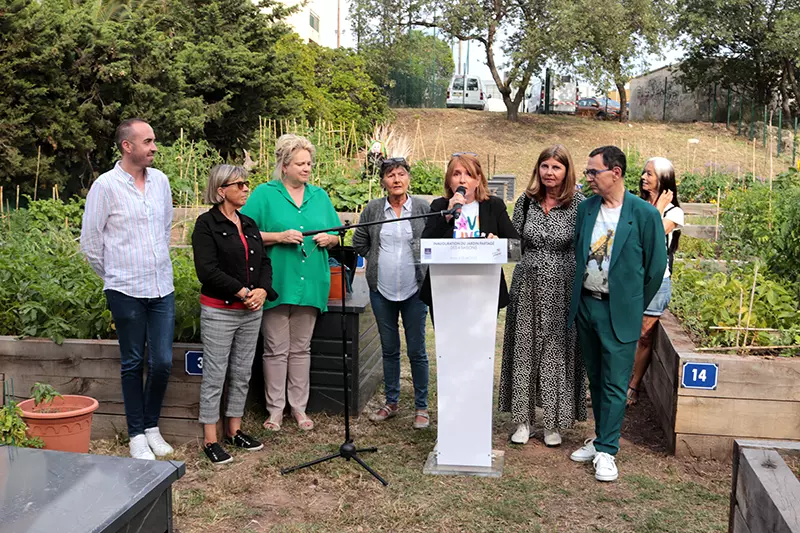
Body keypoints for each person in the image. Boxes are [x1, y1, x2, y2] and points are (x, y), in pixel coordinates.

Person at [566, 145, 667, 482]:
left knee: (615, 382)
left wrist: (635, 306)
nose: (588, 177)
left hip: (619, 311)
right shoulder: (586, 209)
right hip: (587, 306)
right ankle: (600, 439)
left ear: (616, 172)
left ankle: (608, 451)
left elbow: (655, 268)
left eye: (594, 172)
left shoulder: (644, 214)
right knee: (595, 377)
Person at [80, 118, 176, 460]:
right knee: (133, 362)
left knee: (163, 361)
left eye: (153, 141)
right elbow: (91, 242)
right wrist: (117, 275)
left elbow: (165, 228)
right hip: (124, 289)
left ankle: (152, 426)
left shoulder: (161, 181)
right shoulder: (105, 186)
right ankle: (136, 433)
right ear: (127, 146)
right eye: (148, 141)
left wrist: (154, 263)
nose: (154, 147)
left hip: (161, 286)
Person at [241, 134, 340, 433]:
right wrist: (278, 236)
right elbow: (244, 232)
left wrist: (330, 239)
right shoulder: (264, 194)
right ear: (284, 166)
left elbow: (336, 234)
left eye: (309, 163)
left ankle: (298, 407)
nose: (307, 168)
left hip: (310, 282)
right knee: (275, 348)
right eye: (300, 163)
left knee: (301, 349)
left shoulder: (319, 196)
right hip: (275, 280)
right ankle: (274, 410)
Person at [498, 145, 586, 447]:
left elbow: (584, 247)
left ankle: (553, 422)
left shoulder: (579, 204)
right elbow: (513, 243)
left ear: (566, 171)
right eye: (545, 166)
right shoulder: (525, 202)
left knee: (555, 353)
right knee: (523, 349)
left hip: (563, 286)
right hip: (527, 284)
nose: (549, 173)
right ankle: (522, 420)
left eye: (556, 167)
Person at [192, 164, 279, 465]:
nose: (245, 189)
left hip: (251, 310)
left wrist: (263, 291)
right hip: (220, 311)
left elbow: (265, 263)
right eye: (239, 184)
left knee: (242, 372)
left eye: (246, 183)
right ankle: (210, 439)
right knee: (215, 375)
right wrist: (243, 292)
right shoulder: (206, 224)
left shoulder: (249, 223)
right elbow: (207, 270)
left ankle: (235, 430)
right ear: (220, 190)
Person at [352, 157, 431, 430]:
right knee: (389, 348)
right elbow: (359, 241)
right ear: (383, 181)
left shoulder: (421, 207)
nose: (396, 180)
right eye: (390, 175)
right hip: (382, 290)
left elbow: (432, 239)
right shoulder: (374, 209)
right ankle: (392, 402)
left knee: (417, 350)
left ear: (409, 178)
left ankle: (422, 407)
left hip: (415, 290)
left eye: (401, 174)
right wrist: (374, 260)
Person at [420, 152, 519, 314]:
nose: (462, 180)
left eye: (469, 174)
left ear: (478, 180)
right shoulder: (439, 206)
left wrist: (497, 243)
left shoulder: (494, 206)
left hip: (484, 289)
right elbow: (425, 246)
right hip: (444, 290)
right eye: (456, 174)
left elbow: (515, 246)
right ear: (449, 180)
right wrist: (447, 216)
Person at [627, 157, 684, 406]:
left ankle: (633, 386)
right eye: (643, 172)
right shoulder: (636, 204)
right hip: (629, 279)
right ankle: (612, 382)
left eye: (650, 174)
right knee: (620, 332)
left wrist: (659, 208)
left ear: (664, 179)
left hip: (657, 282)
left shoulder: (675, 212)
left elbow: (652, 234)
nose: (643, 177)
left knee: (644, 336)